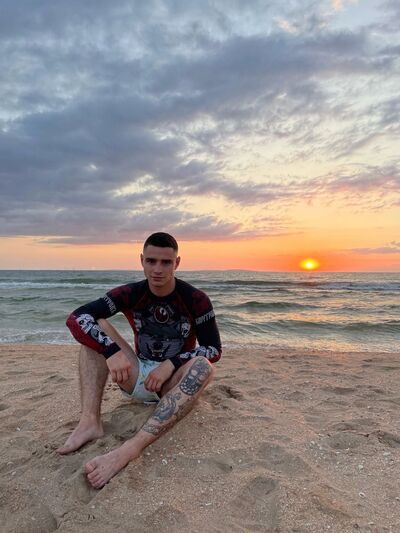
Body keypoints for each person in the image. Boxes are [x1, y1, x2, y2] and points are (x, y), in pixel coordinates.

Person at [57, 232, 222, 489]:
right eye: (151, 261)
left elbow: (213, 349)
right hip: (138, 375)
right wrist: (111, 351)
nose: (158, 269)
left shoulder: (196, 299)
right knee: (95, 325)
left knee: (204, 367)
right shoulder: (130, 293)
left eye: (166, 262)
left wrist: (172, 363)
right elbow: (77, 318)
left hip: (173, 385)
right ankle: (90, 422)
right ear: (142, 260)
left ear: (177, 263)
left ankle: (131, 448)